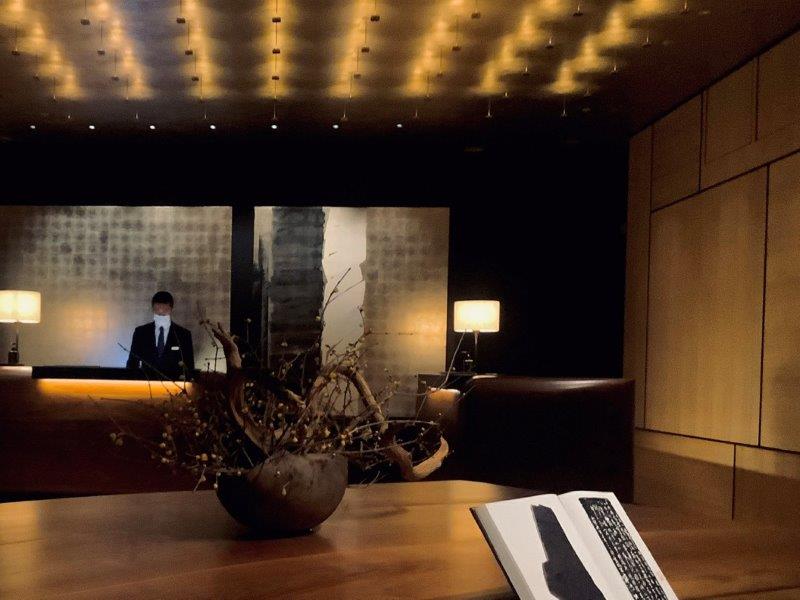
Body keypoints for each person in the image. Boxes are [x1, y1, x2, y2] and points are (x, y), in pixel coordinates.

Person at [126, 291, 195, 380]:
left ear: (171, 308)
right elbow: (132, 363)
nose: (161, 311)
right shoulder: (141, 333)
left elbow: (189, 366)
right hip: (146, 382)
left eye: (165, 308)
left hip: (175, 384)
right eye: (158, 308)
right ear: (153, 308)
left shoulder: (183, 335)